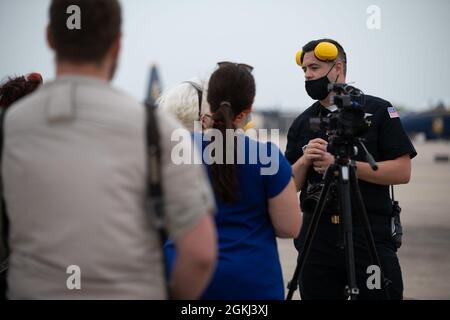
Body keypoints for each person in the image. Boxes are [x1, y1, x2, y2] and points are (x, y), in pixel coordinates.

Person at [1, 0, 217, 299]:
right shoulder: (157, 128)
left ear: (50, 37)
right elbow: (200, 253)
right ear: (117, 44)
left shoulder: (15, 124)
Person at [286, 38, 417, 300]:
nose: (308, 76)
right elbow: (290, 186)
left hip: (368, 233)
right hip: (317, 237)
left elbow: (402, 171)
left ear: (337, 68)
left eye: (314, 68)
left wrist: (344, 166)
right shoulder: (303, 122)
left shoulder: (377, 111)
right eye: (304, 70)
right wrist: (304, 160)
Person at [166, 62, 302, 300]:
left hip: (186, 278)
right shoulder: (268, 156)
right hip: (251, 284)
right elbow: (289, 227)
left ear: (209, 102)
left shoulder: (177, 149)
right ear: (248, 109)